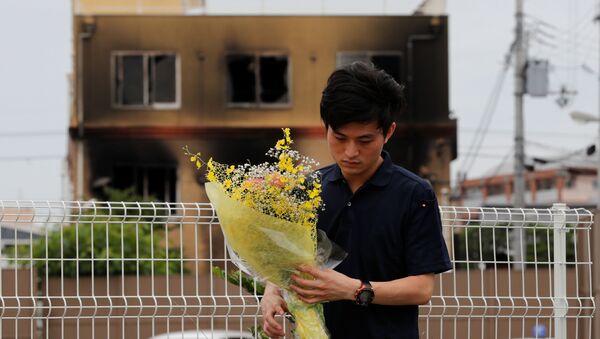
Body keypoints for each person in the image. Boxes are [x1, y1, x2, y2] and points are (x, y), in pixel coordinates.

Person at [261, 61, 452, 339]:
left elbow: (421, 289)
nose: (350, 152)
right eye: (339, 137)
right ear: (326, 128)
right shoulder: (308, 188)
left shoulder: (414, 194)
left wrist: (353, 289)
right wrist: (271, 292)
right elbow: (285, 265)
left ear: (389, 132)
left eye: (364, 140)